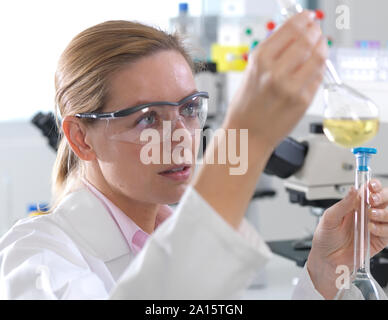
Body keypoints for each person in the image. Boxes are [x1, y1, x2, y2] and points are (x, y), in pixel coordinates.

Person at [1, 12, 388, 300]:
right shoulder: (35, 257)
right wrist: (247, 137)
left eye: (188, 108)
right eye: (148, 118)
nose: (181, 138)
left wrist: (324, 271)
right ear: (81, 138)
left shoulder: (174, 237)